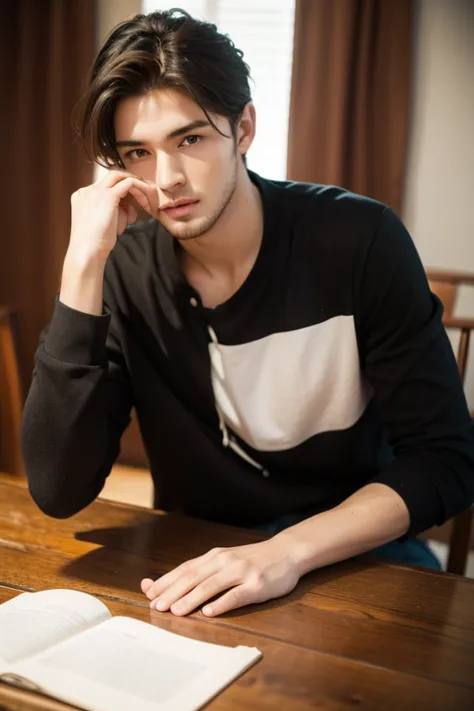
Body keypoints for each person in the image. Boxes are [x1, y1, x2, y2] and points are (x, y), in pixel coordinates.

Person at [22, 9, 474, 618]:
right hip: (196, 567)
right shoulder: (125, 272)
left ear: (243, 129)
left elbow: (447, 459)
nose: (168, 179)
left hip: (357, 556)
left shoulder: (358, 239)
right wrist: (81, 267)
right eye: (138, 153)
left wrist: (285, 552)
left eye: (190, 139)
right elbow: (57, 490)